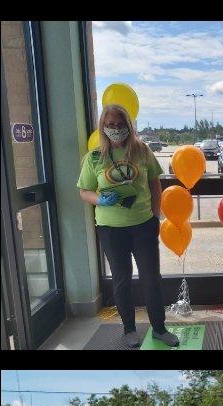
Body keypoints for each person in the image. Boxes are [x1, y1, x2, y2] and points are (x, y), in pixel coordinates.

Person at [77, 103, 180, 349]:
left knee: (151, 278)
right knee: (121, 280)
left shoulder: (142, 150)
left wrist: (156, 216)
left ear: (128, 126)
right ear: (103, 127)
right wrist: (99, 199)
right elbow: (84, 191)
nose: (115, 129)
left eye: (120, 125)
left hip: (143, 226)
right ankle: (129, 330)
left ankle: (159, 328)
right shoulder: (94, 157)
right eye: (110, 125)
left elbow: (155, 185)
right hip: (111, 229)